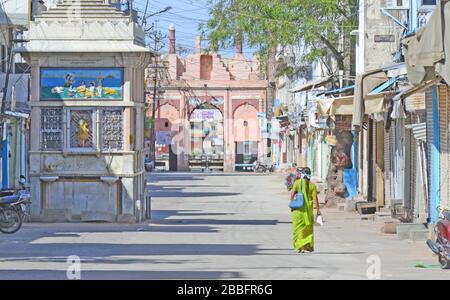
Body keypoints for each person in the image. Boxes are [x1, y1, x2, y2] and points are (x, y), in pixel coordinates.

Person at [290, 167, 320, 253]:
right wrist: (318, 210)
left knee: (298, 229)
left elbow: (292, 195)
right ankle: (307, 245)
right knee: (307, 229)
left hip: (297, 210)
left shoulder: (297, 183)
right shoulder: (312, 186)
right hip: (308, 211)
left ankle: (300, 246)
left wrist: (292, 205)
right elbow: (315, 199)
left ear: (302, 174)